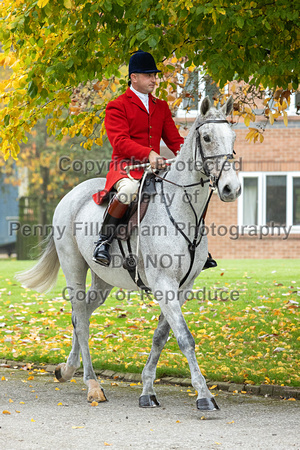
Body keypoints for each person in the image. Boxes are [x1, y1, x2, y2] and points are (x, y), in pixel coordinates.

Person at [92, 50, 216, 271]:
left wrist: (187, 155)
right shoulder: (117, 105)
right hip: (127, 167)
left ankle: (197, 249)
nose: (154, 80)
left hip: (156, 169)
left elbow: (175, 140)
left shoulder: (161, 106)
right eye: (149, 75)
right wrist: (149, 154)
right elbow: (119, 141)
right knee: (129, 190)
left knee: (192, 188)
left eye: (155, 75)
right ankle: (103, 241)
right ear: (134, 77)